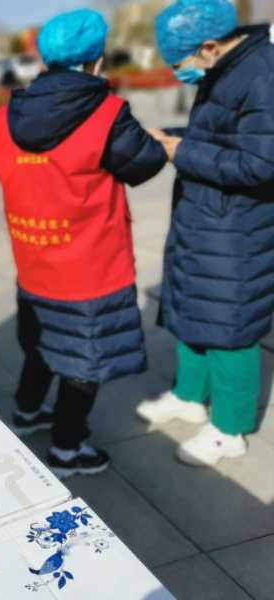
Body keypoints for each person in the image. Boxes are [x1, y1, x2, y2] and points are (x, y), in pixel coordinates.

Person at [0, 9, 167, 478]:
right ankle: (68, 450)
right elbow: (144, 162)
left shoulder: (7, 115)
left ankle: (27, 412)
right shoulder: (106, 112)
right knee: (83, 363)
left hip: (33, 260)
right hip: (90, 269)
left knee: (39, 346)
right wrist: (157, 142)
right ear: (96, 61)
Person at [137, 0, 274, 467]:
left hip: (238, 225)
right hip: (204, 215)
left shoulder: (261, 74)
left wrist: (181, 152)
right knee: (192, 308)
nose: (180, 73)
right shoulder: (225, 68)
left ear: (210, 46)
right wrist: (169, 135)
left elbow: (260, 164)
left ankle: (230, 429)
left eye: (181, 63)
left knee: (230, 326)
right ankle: (189, 395)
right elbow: (219, 135)